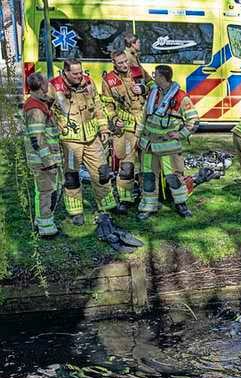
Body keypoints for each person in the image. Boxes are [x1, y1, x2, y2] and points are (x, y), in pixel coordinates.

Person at [49, 58, 116, 224]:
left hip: (92, 138)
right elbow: (46, 111)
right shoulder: (53, 86)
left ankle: (107, 206)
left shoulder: (88, 82)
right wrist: (53, 133)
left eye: (81, 72)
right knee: (72, 176)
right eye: (75, 73)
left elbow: (98, 107)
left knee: (102, 172)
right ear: (65, 72)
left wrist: (104, 129)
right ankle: (76, 211)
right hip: (70, 141)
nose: (80, 76)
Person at [137, 64, 199, 219]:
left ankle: (181, 205)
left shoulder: (180, 97)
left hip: (168, 148)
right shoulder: (153, 93)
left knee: (174, 177)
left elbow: (194, 121)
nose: (153, 76)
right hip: (149, 146)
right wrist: (138, 135)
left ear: (162, 77)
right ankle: (148, 207)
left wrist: (181, 134)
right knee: (149, 177)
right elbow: (144, 116)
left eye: (155, 74)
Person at [101, 49, 150, 212]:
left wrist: (142, 88)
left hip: (145, 124)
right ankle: (125, 199)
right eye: (120, 63)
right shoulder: (108, 80)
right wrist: (114, 119)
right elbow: (107, 105)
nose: (124, 65)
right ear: (113, 63)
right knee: (126, 165)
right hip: (126, 128)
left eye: (125, 61)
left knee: (148, 163)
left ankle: (149, 194)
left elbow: (154, 86)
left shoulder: (139, 71)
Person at [23, 72, 62, 238]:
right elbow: (37, 139)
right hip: (43, 161)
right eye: (47, 83)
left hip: (45, 159)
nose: (49, 86)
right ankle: (45, 227)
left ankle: (45, 220)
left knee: (50, 189)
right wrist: (49, 161)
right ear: (42, 86)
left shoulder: (39, 102)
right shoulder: (35, 108)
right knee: (46, 191)